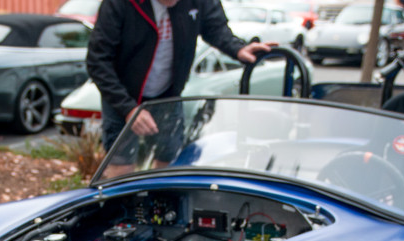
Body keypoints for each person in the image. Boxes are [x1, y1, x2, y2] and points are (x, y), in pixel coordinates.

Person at [86, 0, 272, 167]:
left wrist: (238, 48)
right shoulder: (119, 4)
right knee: (121, 169)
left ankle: (158, 203)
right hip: (123, 97)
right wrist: (128, 109)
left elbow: (215, 28)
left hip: (167, 95)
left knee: (170, 162)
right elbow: (97, 61)